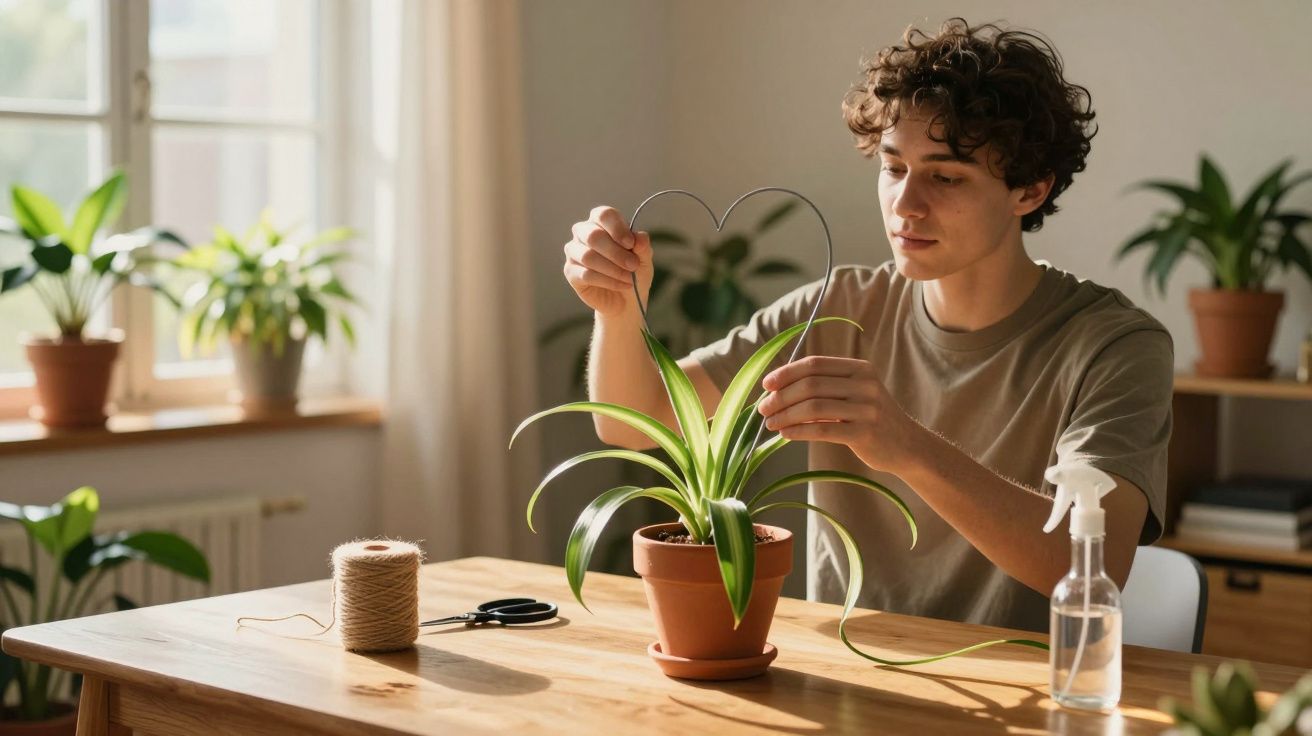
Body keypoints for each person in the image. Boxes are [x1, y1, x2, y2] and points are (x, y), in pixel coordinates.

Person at [559, 17, 1171, 633]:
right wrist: (617, 311)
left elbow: (1093, 562)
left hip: (1025, 693)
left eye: (946, 176)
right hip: (842, 682)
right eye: (893, 167)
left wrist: (904, 444)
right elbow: (632, 422)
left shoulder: (1114, 345)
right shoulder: (835, 308)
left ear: (1030, 191)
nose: (906, 204)